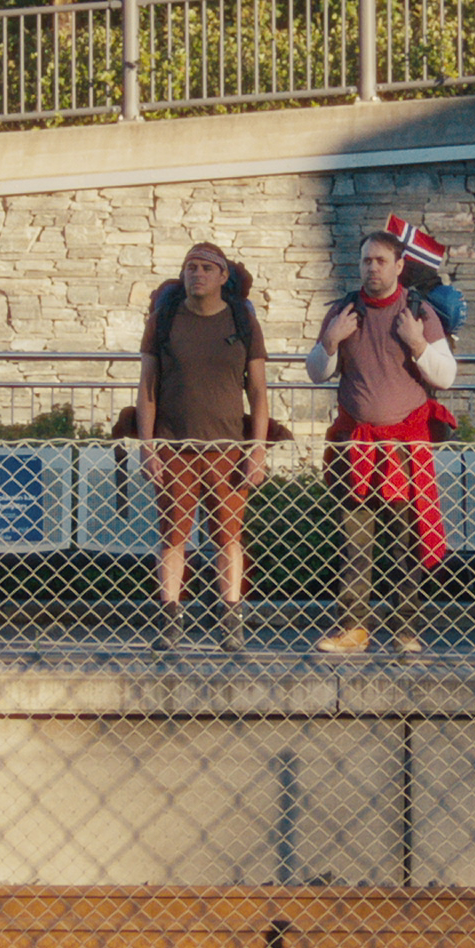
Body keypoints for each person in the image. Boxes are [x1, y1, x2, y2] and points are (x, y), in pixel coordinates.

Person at [308, 229, 457, 654]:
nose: (371, 268)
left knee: (404, 542)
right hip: (356, 445)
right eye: (365, 261)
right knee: (354, 541)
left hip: (404, 448)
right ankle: (354, 629)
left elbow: (445, 376)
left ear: (397, 266)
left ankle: (405, 631)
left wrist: (417, 344)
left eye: (379, 261)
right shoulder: (342, 312)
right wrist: (330, 340)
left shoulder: (419, 313)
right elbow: (317, 371)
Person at [134, 241, 273, 651]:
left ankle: (231, 622)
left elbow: (260, 393)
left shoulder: (242, 322)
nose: (197, 274)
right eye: (190, 267)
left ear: (222, 277)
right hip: (175, 446)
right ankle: (170, 621)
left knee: (229, 537)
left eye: (206, 268)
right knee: (173, 536)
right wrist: (147, 445)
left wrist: (258, 448)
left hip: (228, 447)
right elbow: (146, 387)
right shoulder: (164, 321)